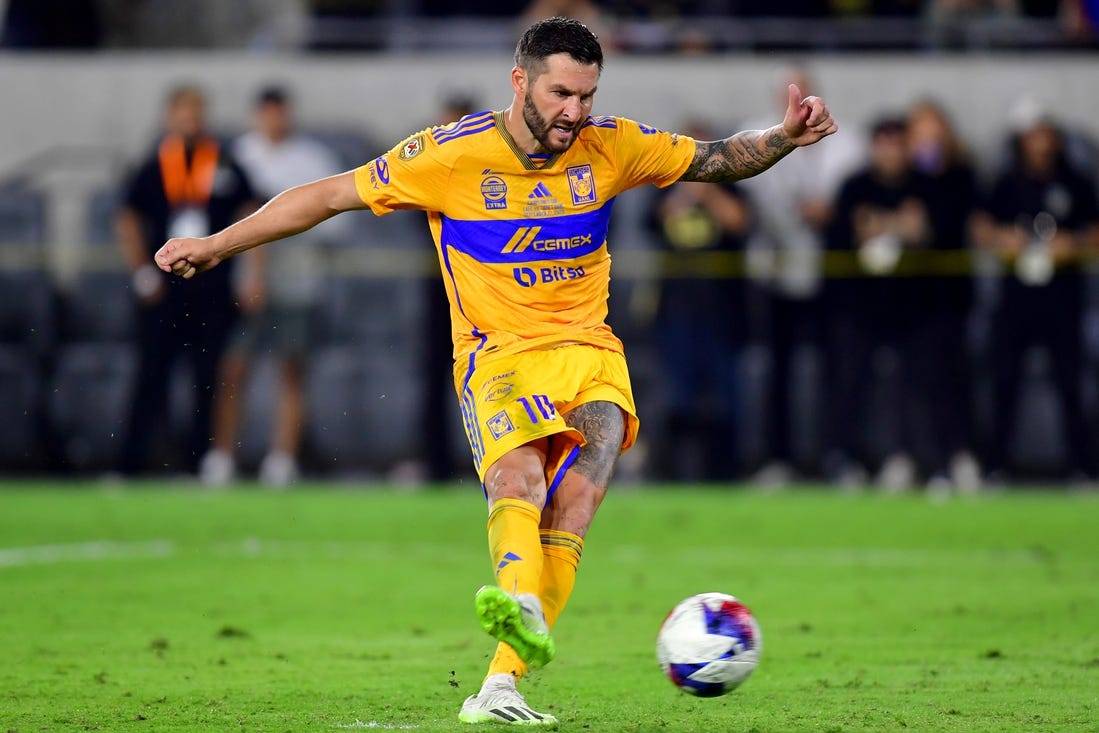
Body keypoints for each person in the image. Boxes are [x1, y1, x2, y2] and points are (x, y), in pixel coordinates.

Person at [154, 17, 836, 725]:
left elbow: (716, 158)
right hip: (499, 354)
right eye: (561, 93)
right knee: (519, 480)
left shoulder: (612, 144)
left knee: (575, 503)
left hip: (590, 352)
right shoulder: (450, 156)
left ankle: (501, 685)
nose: (575, 111)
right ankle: (522, 609)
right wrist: (219, 243)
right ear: (520, 81)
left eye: (587, 94)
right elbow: (327, 195)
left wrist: (783, 139)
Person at [199, 86, 345, 487]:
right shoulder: (237, 157)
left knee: (291, 368)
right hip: (245, 281)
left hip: (297, 279)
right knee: (234, 367)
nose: (274, 120)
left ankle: (282, 458)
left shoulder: (312, 159)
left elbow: (338, 221)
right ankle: (222, 455)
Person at [116, 85, 257, 476]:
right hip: (164, 289)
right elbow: (127, 218)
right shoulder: (154, 164)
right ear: (169, 117)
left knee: (207, 378)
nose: (190, 120)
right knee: (151, 374)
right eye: (183, 112)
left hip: (212, 288)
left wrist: (251, 275)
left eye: (196, 112)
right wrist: (142, 272)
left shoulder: (225, 163)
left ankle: (198, 463)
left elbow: (250, 215)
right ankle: (131, 463)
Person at [735, 67, 864, 484]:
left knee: (839, 367)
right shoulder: (754, 138)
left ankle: (838, 456)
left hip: (831, 272)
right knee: (777, 372)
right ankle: (777, 459)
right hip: (775, 270)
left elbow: (855, 203)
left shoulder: (847, 143)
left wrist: (833, 213)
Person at [973, 106, 1099, 482]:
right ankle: (996, 464)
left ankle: (1083, 465)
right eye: (1032, 136)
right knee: (1004, 380)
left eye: (1045, 134)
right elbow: (981, 226)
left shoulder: (1075, 181)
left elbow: (1094, 230)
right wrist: (1002, 238)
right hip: (1015, 300)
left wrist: (1072, 244)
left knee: (1071, 382)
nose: (1040, 143)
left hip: (1063, 298)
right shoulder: (1007, 181)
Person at [825, 117, 931, 490]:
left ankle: (917, 459)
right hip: (861, 306)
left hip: (915, 307)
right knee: (852, 385)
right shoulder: (855, 186)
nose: (890, 152)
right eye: (883, 144)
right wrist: (899, 224)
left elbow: (930, 232)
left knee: (918, 386)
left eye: (897, 143)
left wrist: (881, 224)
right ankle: (848, 460)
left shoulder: (923, 185)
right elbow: (839, 237)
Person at [645, 119, 753, 482]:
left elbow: (740, 222)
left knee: (727, 396)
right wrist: (684, 192)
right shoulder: (666, 184)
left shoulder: (731, 186)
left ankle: (727, 471)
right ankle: (676, 471)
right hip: (677, 309)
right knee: (679, 395)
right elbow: (652, 221)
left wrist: (708, 192)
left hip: (722, 310)